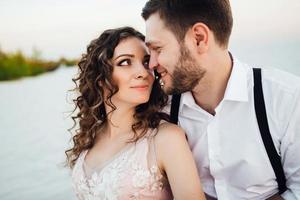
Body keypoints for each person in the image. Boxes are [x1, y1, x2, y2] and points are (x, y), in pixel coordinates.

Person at [141, 0, 300, 199]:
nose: (152, 64)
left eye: (157, 48)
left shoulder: (287, 99)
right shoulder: (161, 108)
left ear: (199, 38)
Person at [65, 27, 205, 200]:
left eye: (146, 62)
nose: (143, 73)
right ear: (100, 79)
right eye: (125, 62)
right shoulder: (89, 137)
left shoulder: (167, 139)